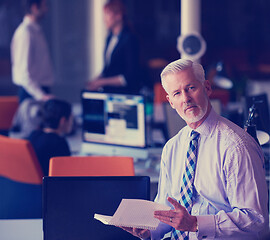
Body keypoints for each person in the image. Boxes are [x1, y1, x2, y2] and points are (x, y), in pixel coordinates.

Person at [121, 59, 269, 239]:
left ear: (207, 88)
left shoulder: (237, 146)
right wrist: (149, 231)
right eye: (177, 93)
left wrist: (195, 224)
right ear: (171, 102)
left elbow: (255, 219)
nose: (186, 98)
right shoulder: (172, 147)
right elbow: (165, 210)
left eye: (191, 88)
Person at [87, 0, 141, 94]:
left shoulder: (130, 39)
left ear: (118, 16)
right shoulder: (109, 38)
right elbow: (109, 68)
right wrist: (98, 79)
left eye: (107, 14)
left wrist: (102, 82)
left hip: (125, 93)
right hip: (110, 92)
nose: (104, 19)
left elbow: (131, 75)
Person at [10, 0, 54, 103]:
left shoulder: (36, 31)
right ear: (34, 7)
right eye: (44, 6)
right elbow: (23, 73)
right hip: (32, 93)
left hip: (39, 90)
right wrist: (41, 95)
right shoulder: (25, 33)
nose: (47, 9)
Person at [27, 99, 72, 176]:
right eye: (71, 119)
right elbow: (68, 173)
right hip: (51, 186)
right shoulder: (59, 143)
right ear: (63, 121)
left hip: (33, 185)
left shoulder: (33, 135)